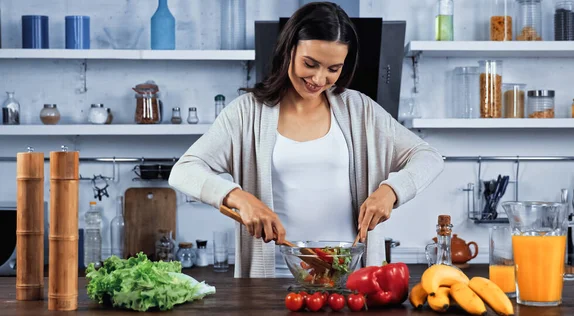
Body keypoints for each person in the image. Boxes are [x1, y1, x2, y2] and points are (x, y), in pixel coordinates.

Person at [168, 1, 444, 278]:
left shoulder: (359, 110)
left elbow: (429, 157)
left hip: (349, 278)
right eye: (309, 64)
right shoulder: (246, 113)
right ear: (289, 50)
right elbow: (183, 171)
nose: (319, 78)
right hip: (271, 278)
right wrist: (239, 198)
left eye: (333, 68)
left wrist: (390, 191)